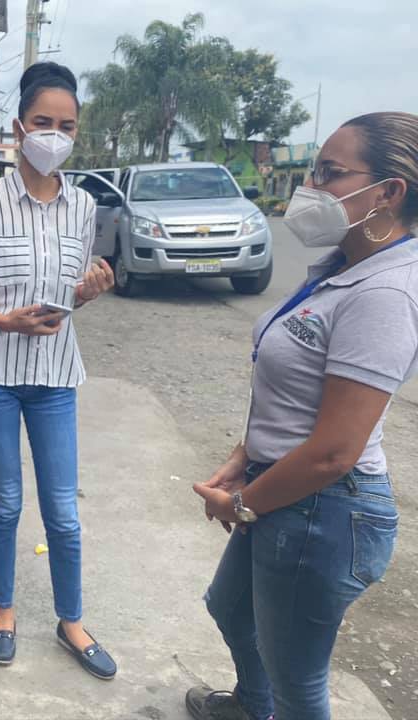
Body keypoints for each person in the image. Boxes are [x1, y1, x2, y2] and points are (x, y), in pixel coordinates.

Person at [189, 111, 418, 720]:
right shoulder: (344, 267)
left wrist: (242, 504)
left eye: (330, 173)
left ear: (389, 192)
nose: (309, 188)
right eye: (313, 171)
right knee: (231, 610)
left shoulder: (386, 293)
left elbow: (335, 451)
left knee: (298, 679)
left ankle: (266, 704)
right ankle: (251, 704)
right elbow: (294, 389)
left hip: (325, 507)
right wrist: (246, 455)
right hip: (285, 486)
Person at [0, 62, 117, 678]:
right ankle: (3, 609)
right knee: (6, 501)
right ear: (18, 129)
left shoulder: (83, 206)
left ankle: (71, 620)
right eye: (43, 122)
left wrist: (87, 293)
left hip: (55, 378)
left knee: (62, 510)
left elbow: (67, 297)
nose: (54, 136)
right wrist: (1, 320)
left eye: (66, 126)